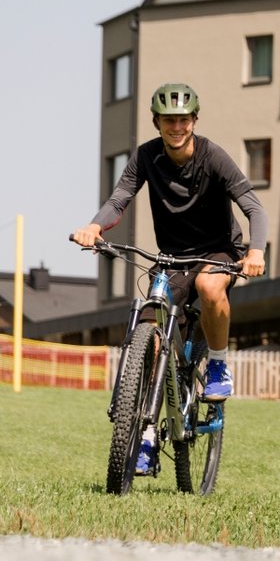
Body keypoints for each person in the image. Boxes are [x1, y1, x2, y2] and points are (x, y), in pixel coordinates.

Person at [72, 83, 269, 474]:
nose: (176, 126)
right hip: (171, 258)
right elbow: (120, 198)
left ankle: (216, 365)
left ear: (194, 120)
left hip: (217, 252)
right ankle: (145, 438)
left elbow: (254, 207)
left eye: (183, 119)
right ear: (156, 122)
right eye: (168, 120)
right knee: (151, 324)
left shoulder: (213, 157)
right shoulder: (147, 156)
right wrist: (95, 227)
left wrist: (256, 250)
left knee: (209, 286)